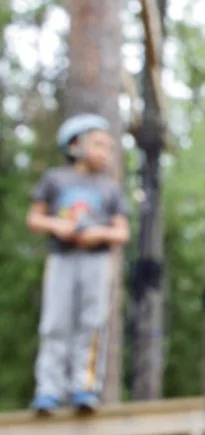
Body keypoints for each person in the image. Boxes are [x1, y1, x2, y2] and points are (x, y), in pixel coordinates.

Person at [27, 114, 129, 414]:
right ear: (75, 145)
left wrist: (99, 233)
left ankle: (84, 388)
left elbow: (122, 231)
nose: (105, 153)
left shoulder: (110, 188)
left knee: (92, 322)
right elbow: (34, 217)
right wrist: (58, 227)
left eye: (109, 148)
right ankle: (48, 390)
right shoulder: (55, 180)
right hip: (62, 259)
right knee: (55, 322)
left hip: (96, 262)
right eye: (98, 144)